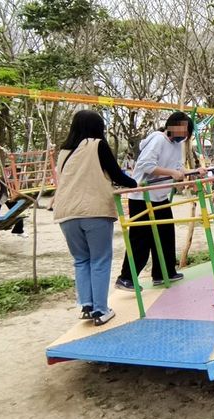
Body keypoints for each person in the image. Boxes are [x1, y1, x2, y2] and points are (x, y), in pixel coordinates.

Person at [54, 110, 137, 326]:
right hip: (94, 211)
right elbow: (117, 174)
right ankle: (101, 310)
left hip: (66, 213)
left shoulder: (63, 151)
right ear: (96, 127)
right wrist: (135, 184)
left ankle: (86, 306)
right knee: (100, 260)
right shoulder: (97, 145)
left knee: (81, 261)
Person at [116, 112, 205, 290]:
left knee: (166, 234)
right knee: (141, 239)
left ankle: (163, 272)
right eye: (183, 131)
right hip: (142, 197)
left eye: (187, 133)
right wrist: (172, 174)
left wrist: (194, 172)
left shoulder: (176, 146)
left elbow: (177, 169)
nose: (184, 136)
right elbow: (146, 166)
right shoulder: (158, 139)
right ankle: (126, 277)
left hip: (160, 197)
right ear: (172, 126)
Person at [0, 177, 27, 246]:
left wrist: (13, 200)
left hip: (2, 199)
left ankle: (18, 230)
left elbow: (12, 205)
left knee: (17, 211)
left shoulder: (4, 192)